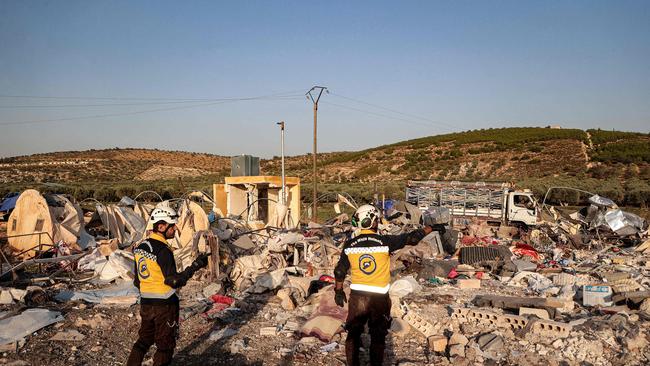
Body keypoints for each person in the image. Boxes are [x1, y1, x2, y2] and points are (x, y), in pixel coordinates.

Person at [334, 204, 433, 366]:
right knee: (378, 335)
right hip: (379, 296)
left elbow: (339, 271)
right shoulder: (384, 241)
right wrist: (431, 227)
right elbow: (413, 238)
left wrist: (338, 291)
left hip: (358, 295)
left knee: (354, 333)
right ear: (372, 221)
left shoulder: (350, 244)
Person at [126, 206, 209, 366]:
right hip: (164, 306)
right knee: (165, 346)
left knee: (144, 340)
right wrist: (195, 266)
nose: (175, 229)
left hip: (146, 304)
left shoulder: (141, 248)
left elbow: (137, 281)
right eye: (172, 226)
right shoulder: (163, 250)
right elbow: (174, 281)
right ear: (161, 226)